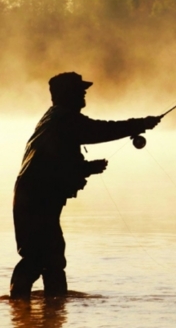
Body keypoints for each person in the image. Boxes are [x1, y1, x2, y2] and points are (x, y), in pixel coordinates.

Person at [9, 72, 161, 299]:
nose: (83, 93)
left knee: (52, 259)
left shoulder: (55, 119)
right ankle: (20, 308)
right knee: (37, 258)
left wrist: (86, 168)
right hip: (35, 201)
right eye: (79, 90)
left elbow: (56, 162)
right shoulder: (64, 119)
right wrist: (140, 124)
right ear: (64, 94)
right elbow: (100, 130)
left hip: (35, 198)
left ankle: (51, 311)